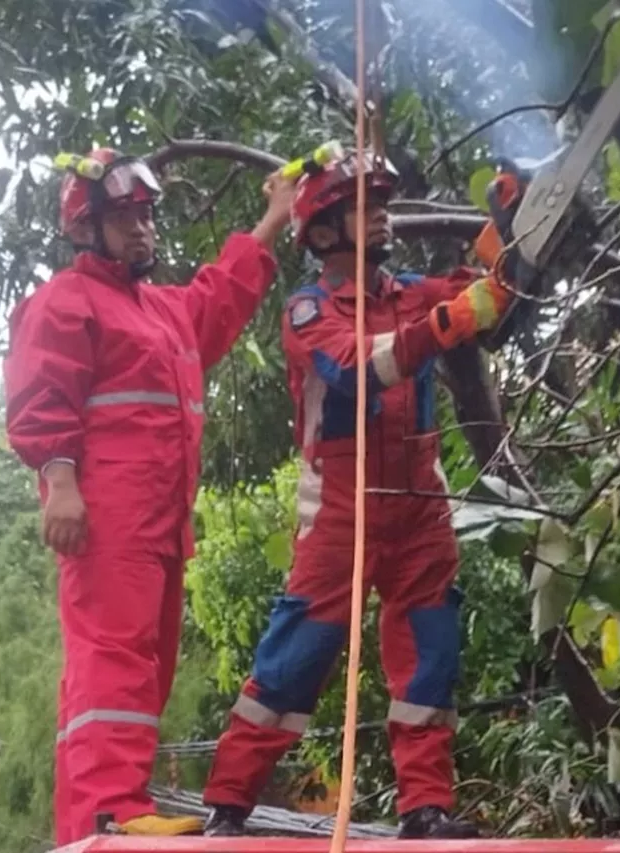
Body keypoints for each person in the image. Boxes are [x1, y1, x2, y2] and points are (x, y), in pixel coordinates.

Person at [199, 147, 511, 839]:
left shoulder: (411, 291)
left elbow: (484, 294)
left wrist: (508, 232)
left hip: (420, 500)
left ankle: (425, 807)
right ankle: (228, 804)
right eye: (363, 207)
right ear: (321, 231)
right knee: (298, 654)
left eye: (381, 203)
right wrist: (449, 320)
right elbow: (355, 368)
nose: (381, 217)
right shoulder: (309, 310)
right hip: (341, 507)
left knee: (431, 653)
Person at [2, 144, 297, 844]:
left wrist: (275, 216)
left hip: (159, 522)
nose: (142, 229)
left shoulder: (160, 311)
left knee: (143, 665)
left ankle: (95, 820)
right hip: (109, 516)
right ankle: (113, 806)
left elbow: (217, 298)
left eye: (146, 215)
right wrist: (60, 484)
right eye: (125, 217)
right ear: (86, 227)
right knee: (115, 657)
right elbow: (43, 399)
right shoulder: (65, 301)